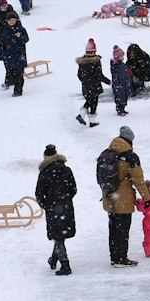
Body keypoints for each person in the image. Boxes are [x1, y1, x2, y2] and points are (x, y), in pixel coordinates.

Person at [96, 125, 144, 267]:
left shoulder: (108, 152)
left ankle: (114, 257)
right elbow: (139, 181)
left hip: (109, 197)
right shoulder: (130, 157)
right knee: (123, 230)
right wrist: (146, 198)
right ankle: (121, 258)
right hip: (123, 200)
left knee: (113, 228)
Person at [34, 144, 78, 275]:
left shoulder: (45, 173)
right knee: (60, 236)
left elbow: (39, 194)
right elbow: (73, 189)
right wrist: (66, 200)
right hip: (66, 207)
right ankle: (53, 260)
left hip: (53, 209)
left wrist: (47, 206)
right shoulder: (67, 170)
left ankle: (66, 266)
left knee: (57, 236)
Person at [76, 40, 110, 126]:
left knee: (89, 101)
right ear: (94, 51)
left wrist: (85, 81)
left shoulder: (82, 62)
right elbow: (99, 75)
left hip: (85, 86)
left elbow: (79, 74)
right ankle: (92, 121)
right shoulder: (96, 61)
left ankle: (82, 115)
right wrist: (109, 82)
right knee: (93, 102)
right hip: (94, 86)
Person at [0, 12, 29, 96]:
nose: (11, 21)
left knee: (19, 75)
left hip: (19, 55)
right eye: (9, 20)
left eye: (13, 20)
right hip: (9, 56)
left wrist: (20, 36)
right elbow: (2, 43)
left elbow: (26, 39)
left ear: (16, 20)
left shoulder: (21, 29)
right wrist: (2, 54)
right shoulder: (4, 30)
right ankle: (9, 83)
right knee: (11, 73)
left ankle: (18, 91)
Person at [110, 45, 133, 117]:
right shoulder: (115, 65)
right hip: (119, 84)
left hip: (124, 83)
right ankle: (119, 109)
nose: (123, 57)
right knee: (120, 97)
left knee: (125, 96)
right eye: (121, 56)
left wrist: (128, 80)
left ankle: (123, 108)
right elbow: (115, 75)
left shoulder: (122, 64)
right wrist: (117, 82)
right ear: (117, 57)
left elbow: (125, 73)